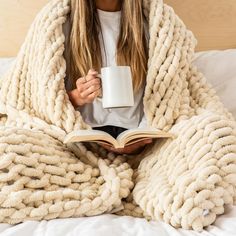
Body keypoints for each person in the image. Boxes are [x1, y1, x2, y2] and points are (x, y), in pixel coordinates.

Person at [63, 0, 153, 155]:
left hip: (136, 134)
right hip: (82, 136)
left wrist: (143, 134)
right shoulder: (61, 25)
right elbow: (43, 102)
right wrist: (78, 96)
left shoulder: (152, 24)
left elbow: (167, 94)